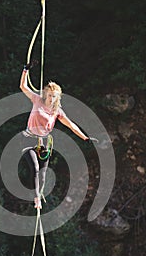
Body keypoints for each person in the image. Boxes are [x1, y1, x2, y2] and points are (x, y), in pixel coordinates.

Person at [20, 61, 93, 209]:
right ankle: (36, 199)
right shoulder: (37, 100)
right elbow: (23, 87)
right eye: (50, 95)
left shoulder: (57, 111)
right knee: (34, 167)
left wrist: (85, 137)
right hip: (28, 139)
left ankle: (40, 195)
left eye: (55, 96)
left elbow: (70, 124)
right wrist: (25, 70)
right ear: (46, 94)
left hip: (44, 143)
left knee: (43, 173)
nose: (52, 98)